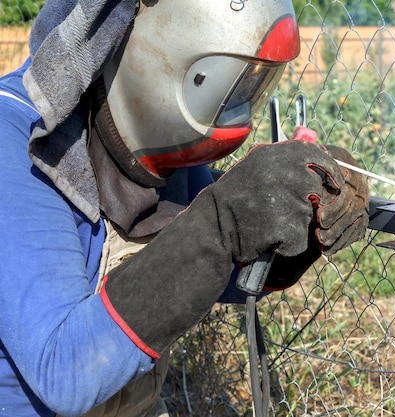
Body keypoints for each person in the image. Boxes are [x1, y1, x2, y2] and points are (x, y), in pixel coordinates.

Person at [0, 0, 369, 416]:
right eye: (230, 85)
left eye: (253, 84)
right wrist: (222, 222)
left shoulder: (147, 134)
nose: (240, 107)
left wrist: (290, 217)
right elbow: (66, 371)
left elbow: (208, 270)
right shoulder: (14, 144)